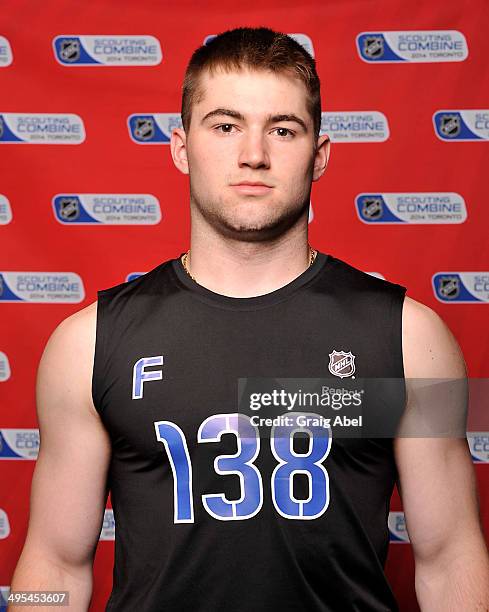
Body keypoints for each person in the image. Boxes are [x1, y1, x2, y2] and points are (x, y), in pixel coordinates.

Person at [9, 27, 489, 612]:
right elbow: (54, 564)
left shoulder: (413, 339)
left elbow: (452, 557)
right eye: (226, 125)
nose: (253, 154)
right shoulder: (89, 343)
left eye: (283, 130)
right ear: (181, 146)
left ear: (320, 155)